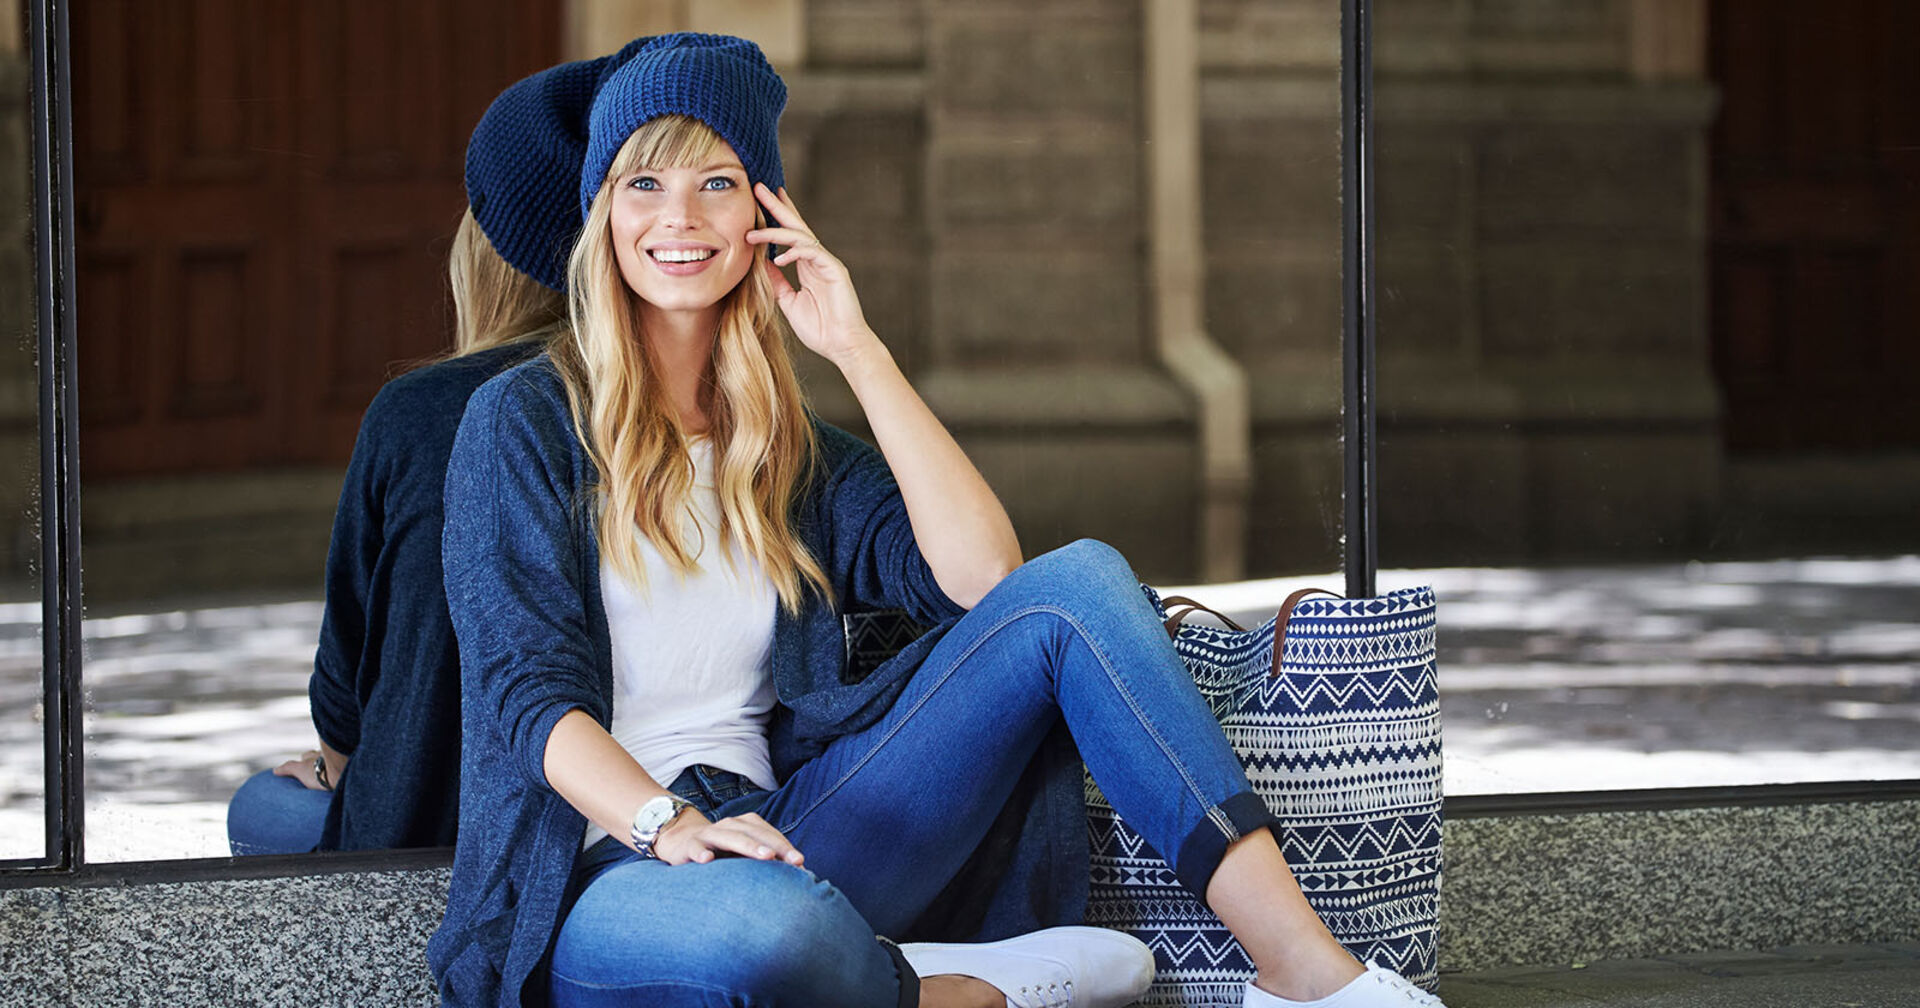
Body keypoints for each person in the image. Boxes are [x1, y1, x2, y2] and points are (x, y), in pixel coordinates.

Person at [430, 32, 1444, 1008]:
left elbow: (984, 577)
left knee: (1077, 586)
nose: (679, 217)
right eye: (643, 183)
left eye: (718, 183)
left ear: (766, 216)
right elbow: (528, 696)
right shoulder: (521, 423)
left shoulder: (787, 452)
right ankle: (945, 987)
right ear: (602, 210)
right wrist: (669, 823)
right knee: (769, 939)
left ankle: (1304, 972)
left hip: (795, 833)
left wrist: (857, 349)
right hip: (608, 873)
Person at [224, 42, 645, 855]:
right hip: (635, 813)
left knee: (262, 807)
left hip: (434, 844)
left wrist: (339, 771)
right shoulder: (692, 409)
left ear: (489, 247)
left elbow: (346, 698)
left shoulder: (425, 413)